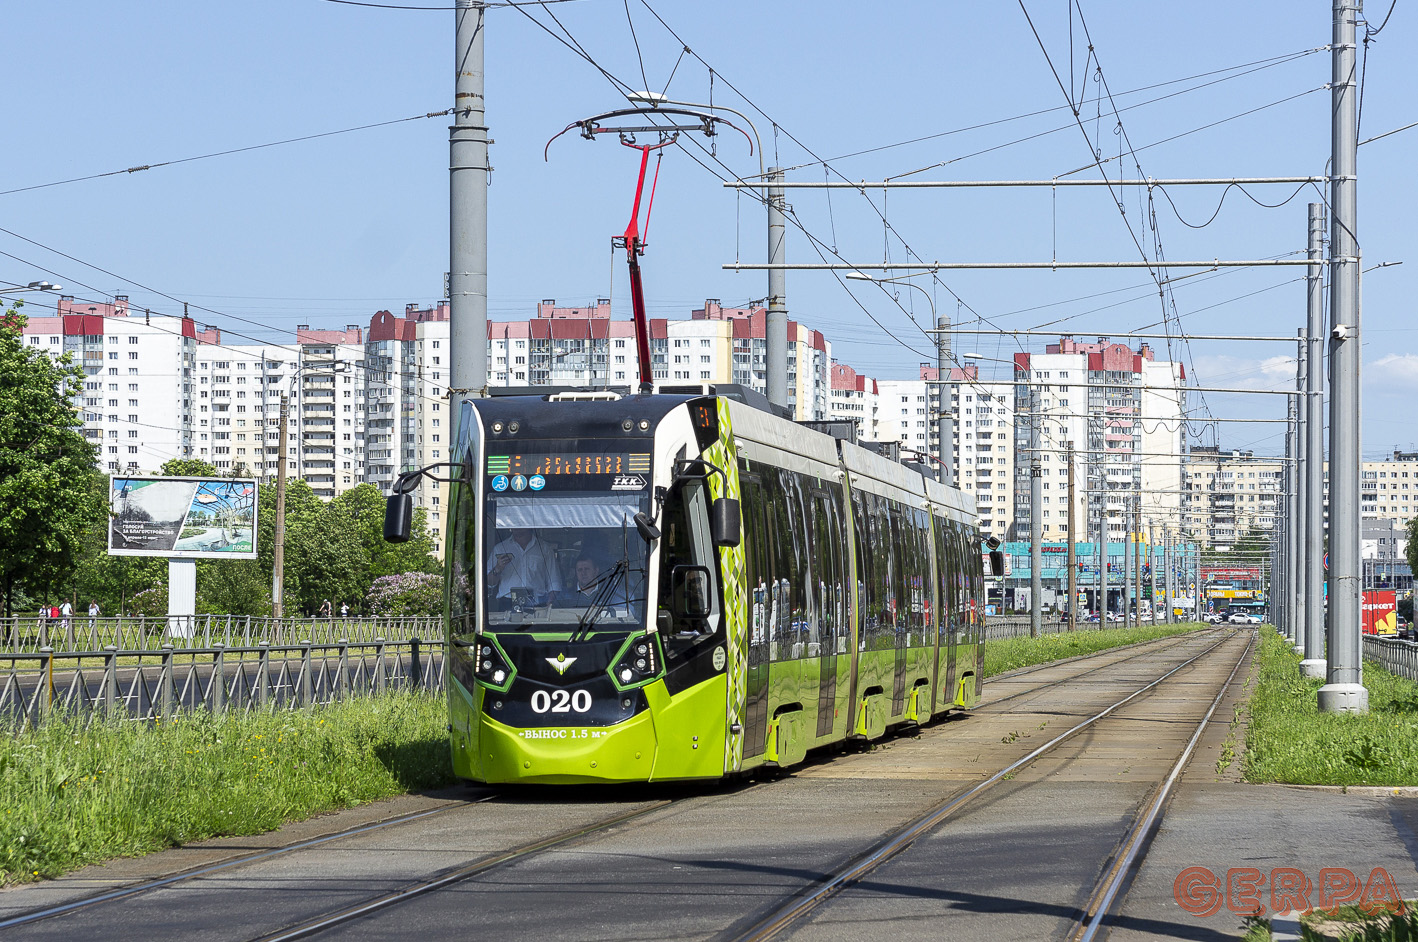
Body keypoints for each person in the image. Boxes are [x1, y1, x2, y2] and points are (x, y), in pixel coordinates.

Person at [488, 528, 562, 605]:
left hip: (538, 601)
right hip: (507, 601)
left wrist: (549, 602)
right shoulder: (500, 548)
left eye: (520, 523)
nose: (517, 527)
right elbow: (489, 583)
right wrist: (497, 568)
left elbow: (554, 580)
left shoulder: (545, 548)